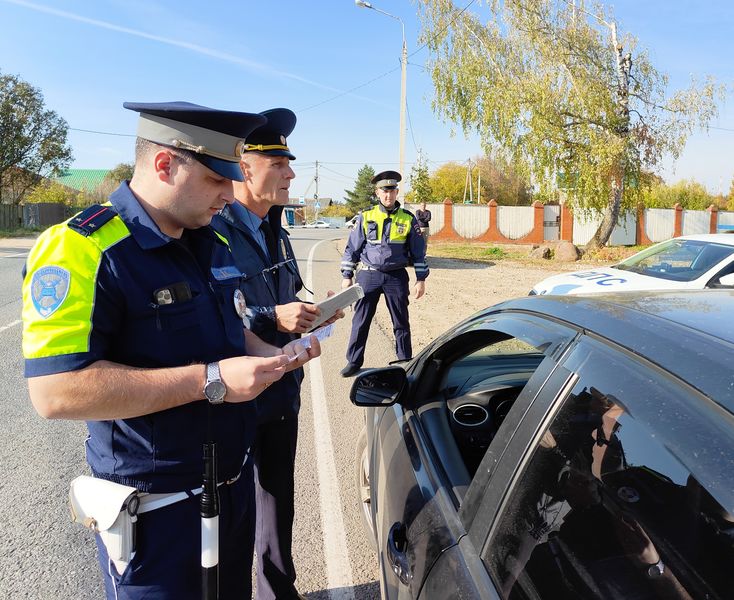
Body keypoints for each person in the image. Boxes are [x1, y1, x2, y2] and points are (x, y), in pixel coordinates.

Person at [21, 101, 320, 600]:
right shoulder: (81, 248)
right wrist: (212, 379)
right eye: (218, 179)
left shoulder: (209, 239)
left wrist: (272, 354)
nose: (230, 194)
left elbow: (230, 326)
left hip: (229, 488)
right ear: (165, 165)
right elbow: (55, 392)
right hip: (155, 514)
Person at [212, 108, 342, 600]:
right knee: (232, 512)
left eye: (289, 163)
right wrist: (275, 317)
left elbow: (283, 302)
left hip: (282, 390)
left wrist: (312, 315)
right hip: (239, 398)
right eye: (279, 163)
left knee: (277, 503)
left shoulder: (277, 231)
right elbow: (218, 316)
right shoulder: (214, 231)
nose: (290, 173)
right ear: (245, 167)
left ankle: (277, 593)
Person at [340, 170, 429, 377]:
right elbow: (352, 248)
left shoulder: (408, 219)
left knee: (401, 322)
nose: (388, 195)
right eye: (384, 191)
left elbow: (418, 252)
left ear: (397, 192)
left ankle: (404, 362)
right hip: (368, 276)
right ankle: (353, 361)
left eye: (392, 191)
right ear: (377, 193)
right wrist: (347, 275)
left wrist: (421, 279)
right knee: (360, 321)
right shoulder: (365, 217)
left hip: (396, 277)